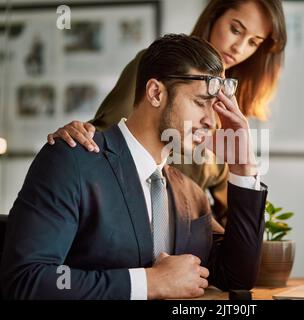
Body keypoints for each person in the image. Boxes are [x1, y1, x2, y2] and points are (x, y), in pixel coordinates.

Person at [0, 34, 268, 300]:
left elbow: (236, 277)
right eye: (200, 103)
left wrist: (244, 168)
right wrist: (149, 283)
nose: (212, 121)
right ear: (155, 93)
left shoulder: (193, 194)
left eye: (215, 107)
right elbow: (27, 281)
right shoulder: (71, 161)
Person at [46, 0, 286, 226]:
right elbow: (105, 135)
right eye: (235, 30)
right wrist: (78, 136)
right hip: (130, 223)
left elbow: (229, 201)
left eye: (254, 42)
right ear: (214, 16)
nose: (239, 47)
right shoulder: (161, 71)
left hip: (188, 237)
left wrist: (220, 227)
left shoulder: (229, 104)